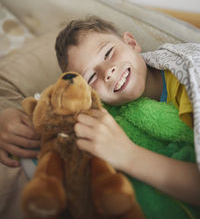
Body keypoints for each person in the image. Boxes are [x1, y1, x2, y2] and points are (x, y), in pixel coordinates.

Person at [55, 15, 200, 206]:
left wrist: (127, 154)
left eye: (108, 53)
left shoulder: (187, 73)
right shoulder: (109, 112)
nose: (107, 72)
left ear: (131, 43)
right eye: (91, 77)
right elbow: (49, 106)